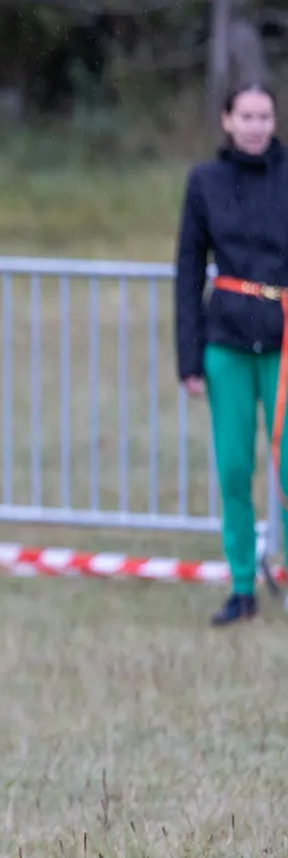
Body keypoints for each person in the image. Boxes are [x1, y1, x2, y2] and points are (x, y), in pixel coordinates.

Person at [175, 83, 288, 626]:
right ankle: (242, 585)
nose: (256, 125)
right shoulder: (205, 182)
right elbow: (188, 269)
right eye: (246, 115)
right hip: (228, 340)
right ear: (226, 120)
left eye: (265, 116)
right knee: (235, 466)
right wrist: (188, 358)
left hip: (285, 340)